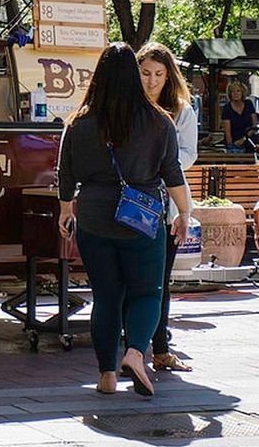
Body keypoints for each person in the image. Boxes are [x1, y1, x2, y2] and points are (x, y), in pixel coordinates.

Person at [57, 43, 190, 396]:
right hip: (142, 217)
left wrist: (65, 208)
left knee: (106, 296)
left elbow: (65, 171)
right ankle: (134, 353)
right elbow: (172, 172)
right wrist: (185, 212)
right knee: (147, 291)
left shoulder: (79, 122)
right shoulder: (158, 121)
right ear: (134, 75)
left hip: (94, 217)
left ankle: (106, 376)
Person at [137, 42, 198, 373]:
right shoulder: (129, 106)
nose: (151, 81)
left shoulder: (181, 110)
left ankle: (159, 348)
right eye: (145, 73)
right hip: (131, 203)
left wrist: (161, 163)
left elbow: (188, 154)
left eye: (158, 74)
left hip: (166, 204)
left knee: (160, 279)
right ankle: (135, 342)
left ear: (168, 75)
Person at [221, 80, 259, 153]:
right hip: (234, 142)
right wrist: (231, 146)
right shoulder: (227, 108)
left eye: (238, 91)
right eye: (233, 92)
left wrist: (244, 139)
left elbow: (255, 125)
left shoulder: (249, 104)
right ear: (230, 94)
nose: (236, 94)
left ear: (242, 93)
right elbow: (227, 132)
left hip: (249, 141)